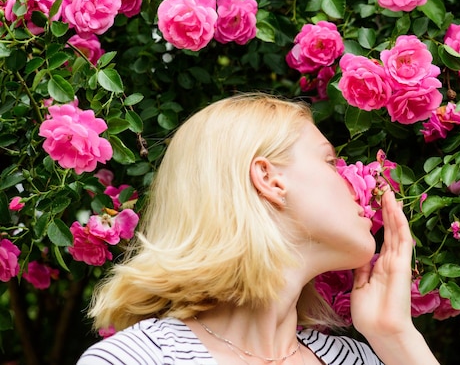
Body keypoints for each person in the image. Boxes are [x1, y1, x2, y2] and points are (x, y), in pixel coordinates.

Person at [77, 93, 440, 365]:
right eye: (330, 161)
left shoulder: (358, 360)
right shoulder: (137, 360)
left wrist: (396, 336)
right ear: (268, 178)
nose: (352, 182)